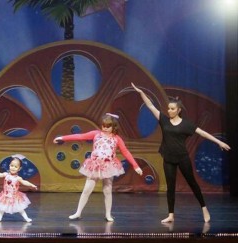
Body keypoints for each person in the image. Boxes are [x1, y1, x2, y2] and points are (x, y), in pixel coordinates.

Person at [132, 82, 230, 223]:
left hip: (182, 157)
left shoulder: (186, 124)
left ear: (178, 110)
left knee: (192, 183)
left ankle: (204, 208)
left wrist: (219, 142)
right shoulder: (164, 120)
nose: (169, 111)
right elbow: (150, 105)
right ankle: (171, 215)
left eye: (172, 109)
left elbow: (202, 133)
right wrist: (141, 92)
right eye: (168, 108)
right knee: (170, 187)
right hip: (168, 158)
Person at [53, 113, 143, 222]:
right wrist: (62, 138)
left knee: (107, 190)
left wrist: (136, 165)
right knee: (87, 189)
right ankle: (78, 212)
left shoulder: (117, 139)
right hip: (95, 165)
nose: (105, 128)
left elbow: (125, 152)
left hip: (108, 165)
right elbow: (80, 136)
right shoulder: (96, 134)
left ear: (113, 127)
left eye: (108, 126)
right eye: (103, 126)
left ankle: (108, 214)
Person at [0, 154, 38, 222]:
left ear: (19, 169)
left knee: (20, 208)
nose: (13, 168)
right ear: (9, 166)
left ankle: (26, 218)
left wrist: (32, 185)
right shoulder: (6, 174)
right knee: (2, 207)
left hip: (15, 196)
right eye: (12, 166)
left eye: (16, 167)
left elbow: (24, 182)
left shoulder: (18, 178)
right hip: (5, 195)